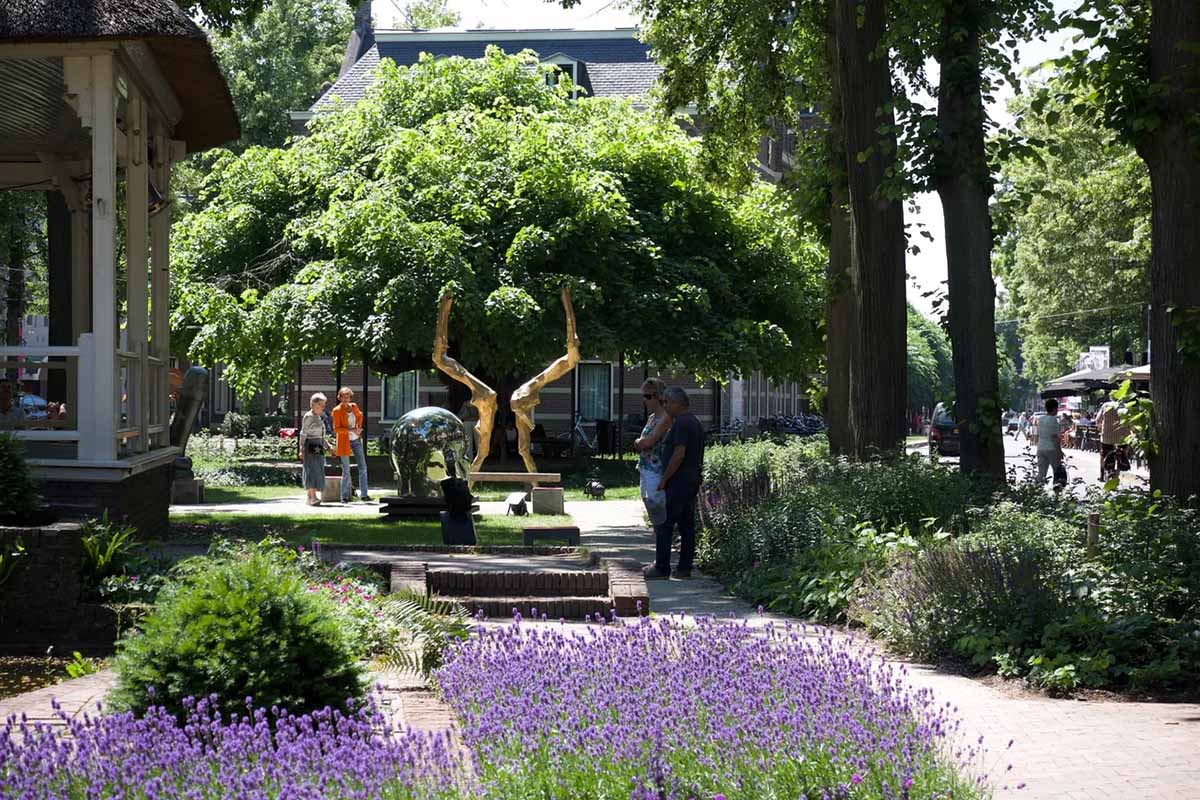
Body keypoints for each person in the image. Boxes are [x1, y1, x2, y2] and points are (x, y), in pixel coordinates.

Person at [645, 387, 704, 580]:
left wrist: (664, 479)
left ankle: (662, 568)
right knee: (687, 525)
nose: (665, 406)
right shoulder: (694, 422)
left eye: (667, 402)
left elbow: (679, 454)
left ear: (678, 403)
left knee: (665, 524)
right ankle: (684, 568)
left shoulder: (682, 424)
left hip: (678, 482)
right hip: (690, 481)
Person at [632, 378, 672, 527]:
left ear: (658, 396)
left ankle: (663, 532)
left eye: (647, 396)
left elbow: (649, 441)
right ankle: (658, 530)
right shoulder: (652, 418)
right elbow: (643, 441)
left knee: (657, 502)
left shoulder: (666, 417)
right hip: (644, 466)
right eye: (643, 396)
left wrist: (639, 442)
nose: (644, 400)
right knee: (646, 499)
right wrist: (641, 442)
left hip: (656, 468)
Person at [332, 387, 371, 503]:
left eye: (347, 397)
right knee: (346, 469)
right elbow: (337, 429)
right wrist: (351, 430)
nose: (345, 399)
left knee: (363, 467)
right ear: (340, 397)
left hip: (356, 440)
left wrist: (358, 429)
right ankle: (344, 496)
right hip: (344, 441)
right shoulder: (337, 410)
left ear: (350, 397)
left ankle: (364, 495)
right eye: (343, 397)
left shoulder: (354, 406)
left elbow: (360, 416)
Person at [299, 392, 330, 506]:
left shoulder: (318, 416)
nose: (323, 407)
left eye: (323, 405)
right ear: (313, 405)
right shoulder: (308, 416)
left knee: (318, 468)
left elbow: (321, 435)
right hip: (310, 443)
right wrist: (301, 449)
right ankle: (311, 497)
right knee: (311, 469)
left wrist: (328, 446)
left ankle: (312, 497)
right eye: (320, 405)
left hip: (317, 444)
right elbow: (303, 433)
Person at [1030, 398, 1065, 493]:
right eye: (1057, 408)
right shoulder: (1054, 420)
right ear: (1054, 409)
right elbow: (1055, 437)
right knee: (1057, 471)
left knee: (1041, 472)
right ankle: (1057, 492)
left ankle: (1036, 491)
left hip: (1041, 447)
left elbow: (1037, 434)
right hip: (1052, 449)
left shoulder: (1040, 419)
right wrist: (1059, 451)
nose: (1057, 410)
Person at [1097, 399, 1130, 481]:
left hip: (1107, 436)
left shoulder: (1105, 405)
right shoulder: (1126, 406)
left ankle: (1101, 475)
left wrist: (1100, 428)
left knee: (1103, 454)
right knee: (1124, 452)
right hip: (1123, 437)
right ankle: (1118, 472)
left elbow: (1098, 420)